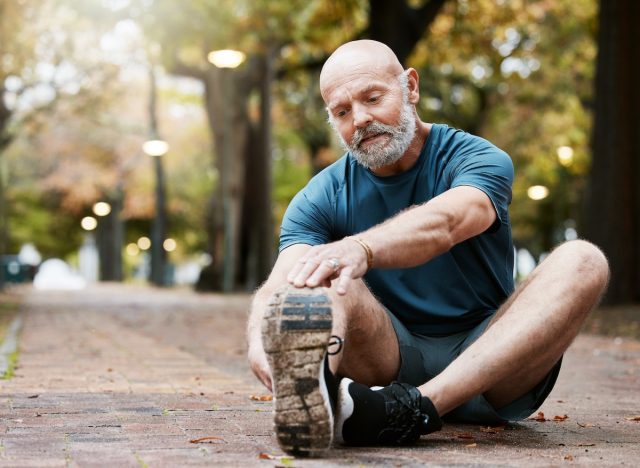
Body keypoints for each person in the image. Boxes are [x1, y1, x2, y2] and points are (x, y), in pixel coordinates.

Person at [247, 40, 609, 456]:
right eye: (342, 112)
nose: (360, 120)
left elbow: (446, 223)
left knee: (584, 260)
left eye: (373, 98)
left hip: (492, 361)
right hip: (388, 362)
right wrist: (261, 337)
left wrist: (361, 247)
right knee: (318, 275)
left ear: (411, 88)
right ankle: (318, 396)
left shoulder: (477, 157)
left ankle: (411, 409)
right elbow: (285, 277)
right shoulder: (320, 196)